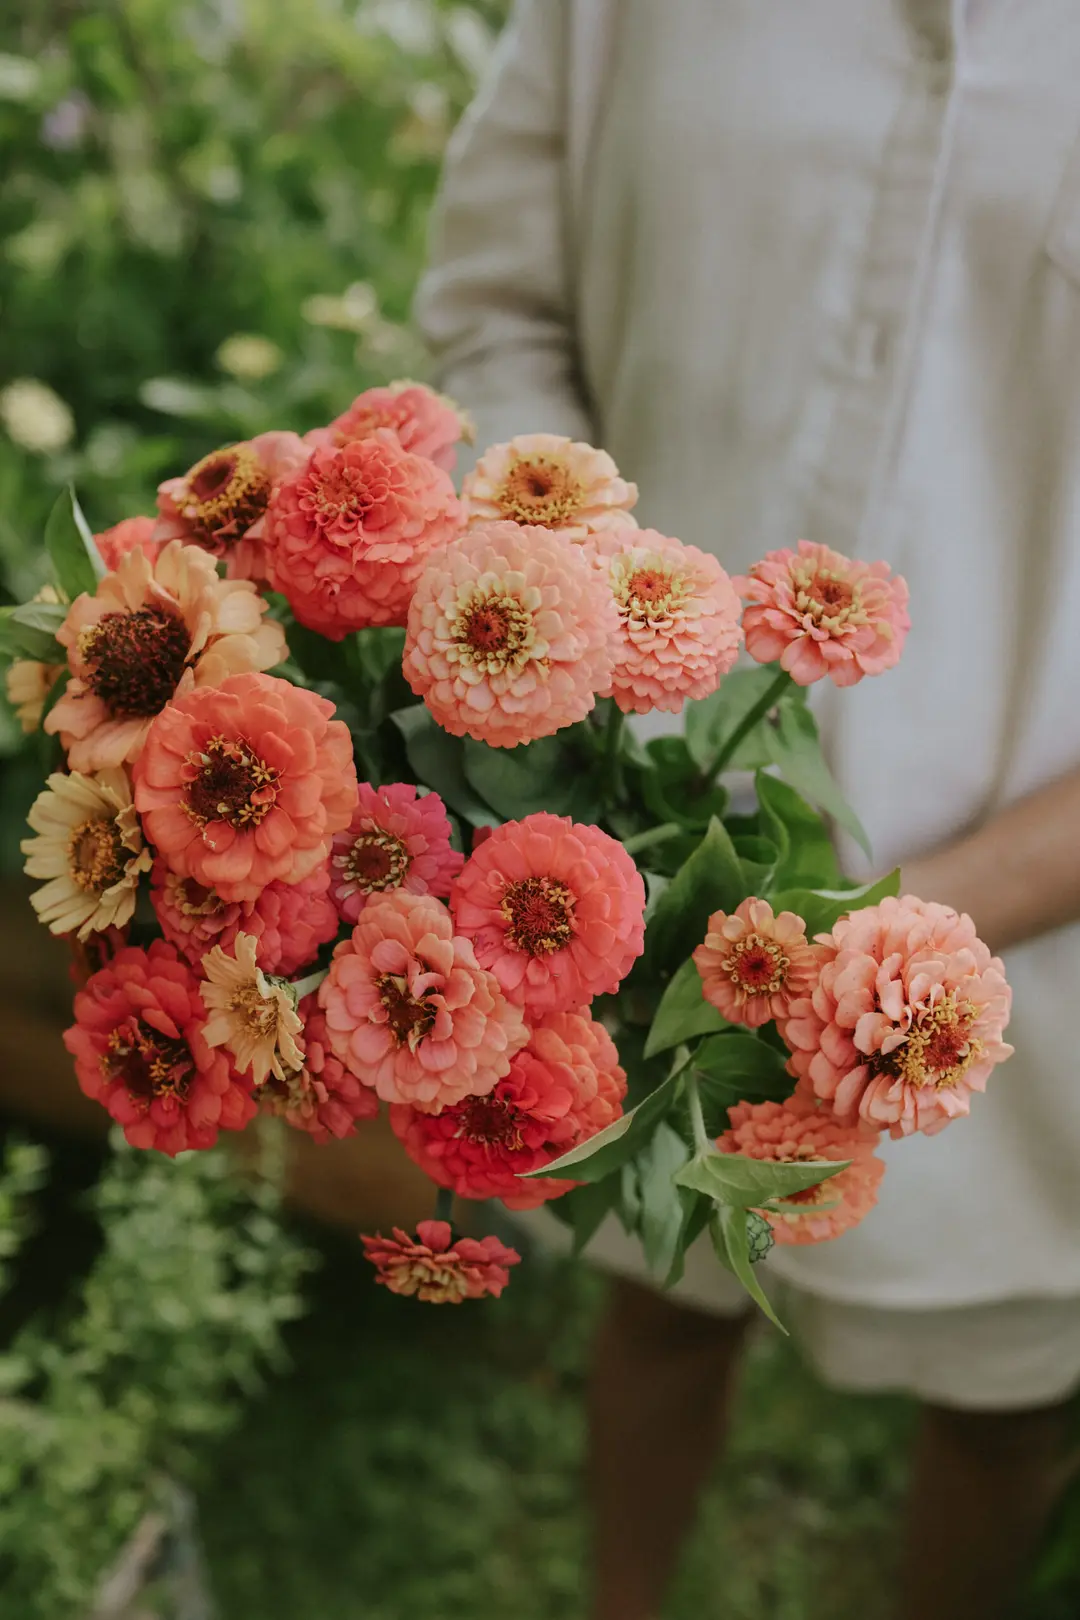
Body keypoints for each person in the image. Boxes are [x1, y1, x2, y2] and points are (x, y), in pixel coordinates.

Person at [415, 4, 1080, 1616]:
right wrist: (568, 631)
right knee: (658, 1295)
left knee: (1006, 1406)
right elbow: (496, 308)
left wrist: (907, 924)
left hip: (1042, 938)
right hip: (640, 840)